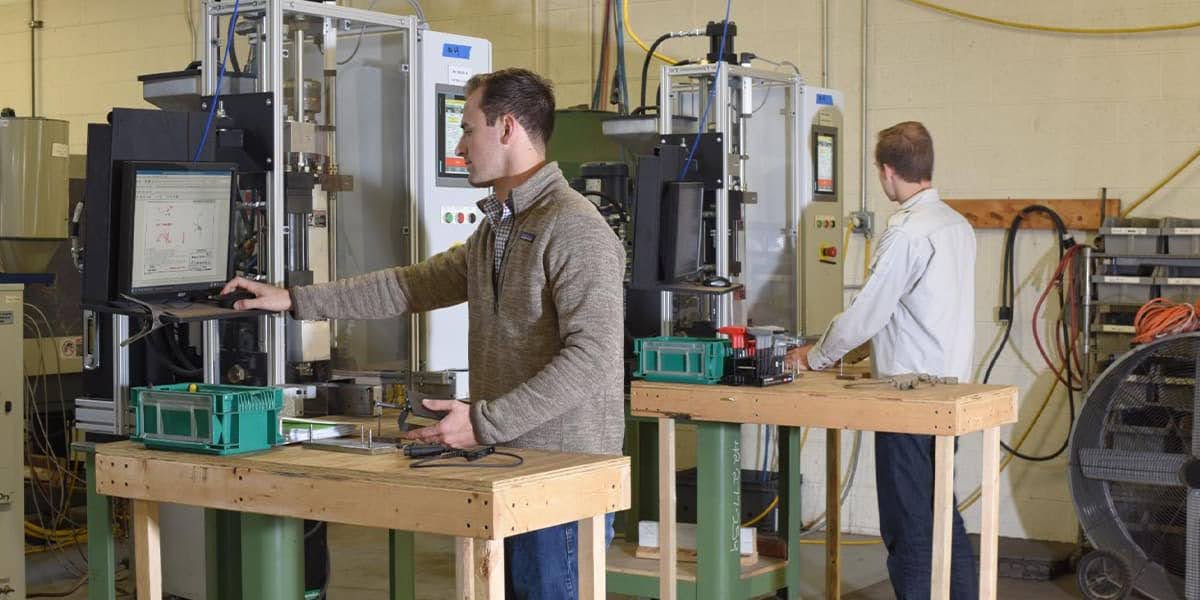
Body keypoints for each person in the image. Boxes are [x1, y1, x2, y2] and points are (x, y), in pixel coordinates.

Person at [222, 68, 625, 600]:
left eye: (468, 128)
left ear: (507, 128)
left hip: (561, 479)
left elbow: (593, 357)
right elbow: (411, 286)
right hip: (513, 472)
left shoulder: (573, 226)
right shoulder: (497, 228)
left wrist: (484, 422)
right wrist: (296, 299)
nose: (459, 146)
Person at [788, 121, 978, 599]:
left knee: (908, 524)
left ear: (888, 172)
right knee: (941, 515)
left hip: (909, 399)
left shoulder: (907, 234)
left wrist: (816, 355)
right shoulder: (956, 225)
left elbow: (866, 314)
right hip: (949, 393)